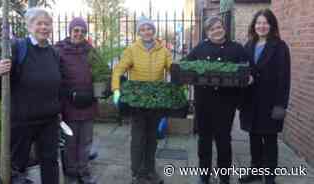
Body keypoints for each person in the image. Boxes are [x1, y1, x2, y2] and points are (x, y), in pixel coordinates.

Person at [0, 8, 61, 184]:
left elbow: (58, 84)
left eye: (47, 23)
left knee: (50, 164)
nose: (44, 27)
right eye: (39, 23)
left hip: (49, 121)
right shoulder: (18, 48)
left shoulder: (54, 53)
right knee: (16, 167)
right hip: (22, 121)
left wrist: (59, 110)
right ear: (29, 26)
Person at [185, 16, 248, 184]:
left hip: (226, 103)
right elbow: (185, 65)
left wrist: (248, 78)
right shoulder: (200, 48)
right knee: (204, 139)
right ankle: (204, 176)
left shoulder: (236, 48)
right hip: (203, 102)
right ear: (207, 32)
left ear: (224, 28)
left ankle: (224, 177)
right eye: (212, 29)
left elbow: (248, 69)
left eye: (219, 27)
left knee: (223, 140)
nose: (216, 31)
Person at [111, 16, 172, 184]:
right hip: (137, 101)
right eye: (143, 29)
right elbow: (118, 70)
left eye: (149, 28)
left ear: (154, 31)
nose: (147, 32)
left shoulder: (163, 51)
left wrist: (178, 85)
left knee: (152, 137)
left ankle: (150, 171)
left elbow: (173, 69)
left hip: (156, 100)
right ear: (139, 32)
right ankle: (137, 173)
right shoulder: (132, 50)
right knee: (138, 138)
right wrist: (116, 90)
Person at [238, 9, 291, 184]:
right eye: (258, 23)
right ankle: (255, 171)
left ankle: (269, 177)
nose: (261, 26)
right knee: (253, 137)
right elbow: (244, 70)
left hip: (270, 102)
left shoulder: (280, 46)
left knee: (269, 140)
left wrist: (280, 105)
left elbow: (284, 77)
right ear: (254, 25)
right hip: (251, 101)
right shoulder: (248, 45)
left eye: (265, 23)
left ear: (271, 25)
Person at [55, 17, 99, 184]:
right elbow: (54, 77)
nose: (79, 34)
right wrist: (66, 95)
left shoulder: (90, 50)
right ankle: (72, 174)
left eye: (82, 31)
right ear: (70, 31)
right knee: (71, 141)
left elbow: (101, 72)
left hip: (88, 103)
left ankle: (84, 171)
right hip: (68, 104)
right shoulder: (59, 50)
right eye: (76, 30)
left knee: (86, 141)